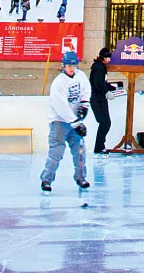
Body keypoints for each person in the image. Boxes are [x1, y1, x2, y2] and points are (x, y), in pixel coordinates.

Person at [41, 50, 92, 193]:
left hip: (75, 121)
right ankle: (47, 180)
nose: (71, 68)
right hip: (59, 121)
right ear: (63, 66)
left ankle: (81, 177)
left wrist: (84, 104)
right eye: (68, 65)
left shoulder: (81, 76)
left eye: (74, 65)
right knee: (56, 152)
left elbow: (86, 90)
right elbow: (60, 106)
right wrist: (75, 122)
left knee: (80, 151)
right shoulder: (59, 83)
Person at [89, 45, 116, 153]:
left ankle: (99, 146)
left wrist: (114, 87)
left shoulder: (101, 67)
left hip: (100, 98)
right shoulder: (98, 67)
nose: (109, 60)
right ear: (103, 57)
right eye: (108, 58)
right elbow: (98, 83)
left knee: (105, 122)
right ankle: (99, 147)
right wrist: (106, 92)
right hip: (97, 99)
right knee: (105, 122)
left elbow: (103, 83)